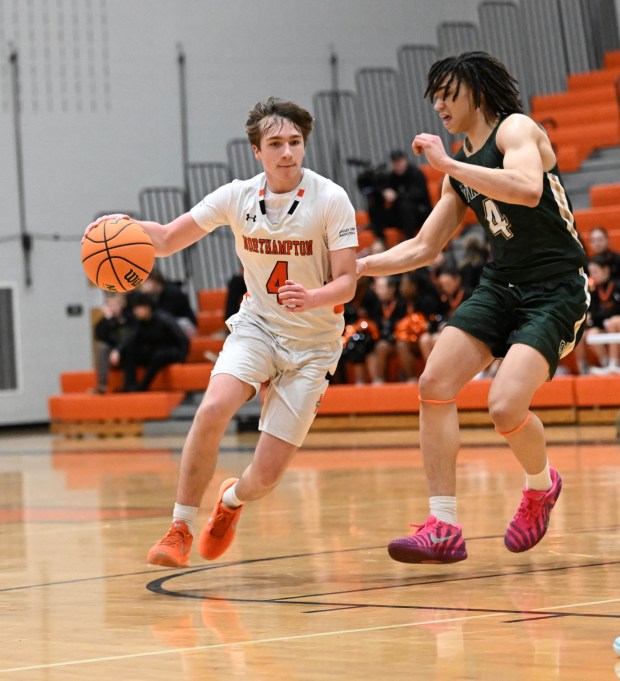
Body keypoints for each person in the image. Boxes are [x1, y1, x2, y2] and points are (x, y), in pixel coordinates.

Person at [85, 97, 358, 567]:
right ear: (257, 151)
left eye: (295, 142)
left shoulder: (331, 199)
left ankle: (230, 500)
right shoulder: (236, 196)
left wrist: (314, 297)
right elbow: (169, 238)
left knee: (266, 478)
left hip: (314, 344)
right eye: (276, 143)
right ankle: (179, 528)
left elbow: (348, 281)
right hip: (259, 327)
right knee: (212, 408)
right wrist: (120, 227)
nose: (288, 152)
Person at [356, 51, 589, 564]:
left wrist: (447, 164)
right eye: (434, 96)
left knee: (505, 407)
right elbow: (423, 247)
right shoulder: (457, 169)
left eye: (448, 94)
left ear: (476, 92)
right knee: (433, 384)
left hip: (556, 289)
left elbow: (528, 190)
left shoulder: (516, 130)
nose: (439, 104)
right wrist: (360, 267)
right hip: (502, 284)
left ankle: (540, 486)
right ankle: (443, 525)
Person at [117, 291, 190, 392]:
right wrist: (118, 351)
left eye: (137, 309)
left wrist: (181, 359)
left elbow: (183, 339)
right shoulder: (141, 322)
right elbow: (131, 338)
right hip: (154, 352)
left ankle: (143, 386)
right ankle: (130, 385)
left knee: (160, 354)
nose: (135, 312)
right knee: (129, 351)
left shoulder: (163, 318)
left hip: (171, 351)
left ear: (146, 307)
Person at [580, 254, 620, 374]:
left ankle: (615, 363)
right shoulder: (594, 291)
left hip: (616, 324)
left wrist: (598, 317)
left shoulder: (617, 285)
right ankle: (605, 364)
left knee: (613, 321)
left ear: (606, 270)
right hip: (604, 326)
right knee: (591, 332)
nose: (593, 276)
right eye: (591, 272)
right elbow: (594, 314)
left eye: (595, 272)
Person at [92, 292, 135, 393]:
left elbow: (129, 337)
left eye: (114, 305)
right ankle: (102, 385)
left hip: (128, 349)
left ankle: (129, 385)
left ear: (121, 305)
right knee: (102, 347)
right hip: (113, 354)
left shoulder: (129, 317)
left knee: (129, 349)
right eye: (109, 305)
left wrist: (118, 350)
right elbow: (100, 336)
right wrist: (109, 321)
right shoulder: (105, 321)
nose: (112, 308)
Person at [137, 267, 198, 337]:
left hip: (184, 327)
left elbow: (166, 316)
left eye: (144, 282)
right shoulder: (154, 295)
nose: (141, 286)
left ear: (153, 281)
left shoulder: (172, 292)